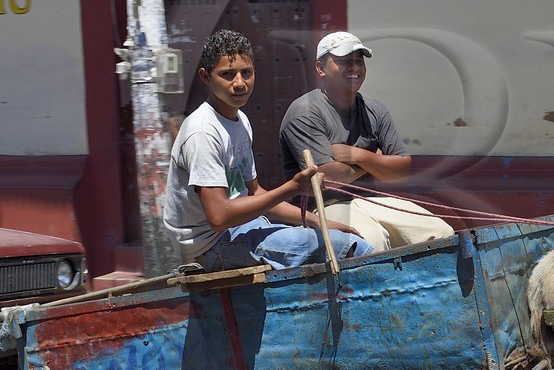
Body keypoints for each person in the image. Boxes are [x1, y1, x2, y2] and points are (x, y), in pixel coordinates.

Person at [165, 28, 371, 271]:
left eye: (246, 73)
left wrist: (318, 221)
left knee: (337, 239)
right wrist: (292, 188)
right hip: (210, 247)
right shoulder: (202, 132)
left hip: (243, 229)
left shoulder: (239, 120)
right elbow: (219, 217)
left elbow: (254, 193)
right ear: (206, 77)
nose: (239, 83)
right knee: (352, 248)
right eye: (228, 75)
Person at [278, 31, 455, 251]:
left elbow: (401, 172)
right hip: (323, 207)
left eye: (359, 62)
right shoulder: (305, 112)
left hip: (370, 200)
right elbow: (328, 179)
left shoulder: (376, 110)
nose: (354, 68)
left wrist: (359, 156)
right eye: (343, 62)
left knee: (441, 233)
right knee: (371, 241)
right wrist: (376, 161)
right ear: (321, 68)